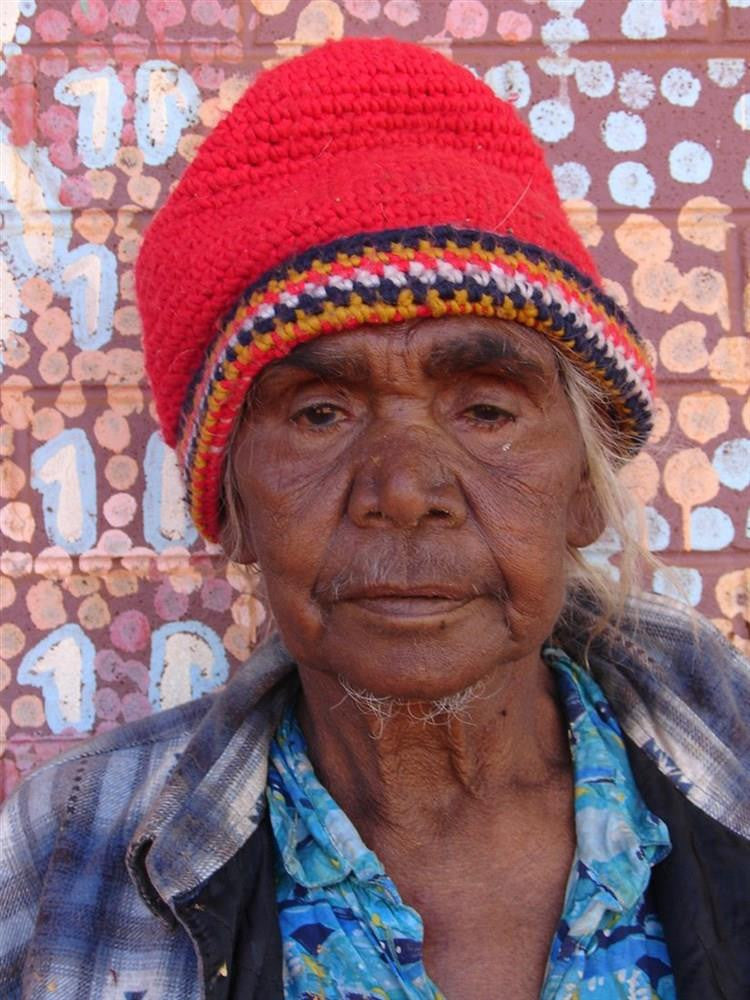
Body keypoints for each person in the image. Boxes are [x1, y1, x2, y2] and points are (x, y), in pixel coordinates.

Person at [1, 37, 748, 1000]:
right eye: (320, 414)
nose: (403, 489)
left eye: (487, 410)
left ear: (582, 491)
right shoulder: (64, 858)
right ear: (232, 510)